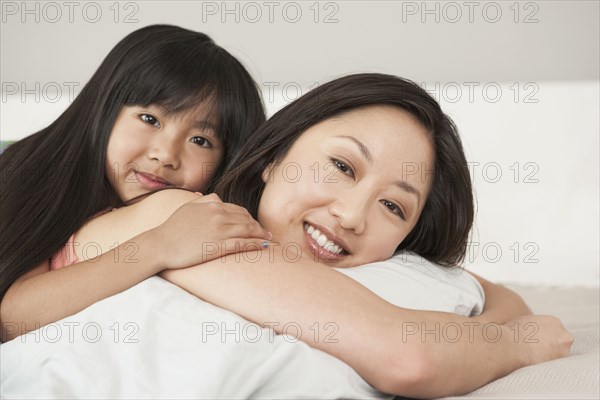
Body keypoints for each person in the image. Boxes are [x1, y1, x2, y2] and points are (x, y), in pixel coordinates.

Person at [3, 73, 571, 397]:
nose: (351, 215)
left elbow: (489, 291)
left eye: (394, 207)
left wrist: (488, 324)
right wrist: (519, 343)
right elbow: (410, 356)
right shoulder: (190, 220)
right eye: (343, 167)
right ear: (272, 158)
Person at [0, 24, 271, 340]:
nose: (166, 155)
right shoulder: (30, 169)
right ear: (105, 107)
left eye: (200, 140)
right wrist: (161, 244)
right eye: (150, 120)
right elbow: (14, 315)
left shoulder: (204, 216)